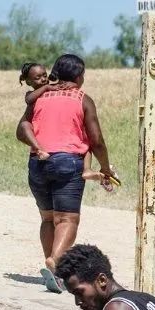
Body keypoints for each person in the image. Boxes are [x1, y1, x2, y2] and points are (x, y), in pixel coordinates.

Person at [16, 55, 115, 293]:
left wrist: (39, 145)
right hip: (67, 162)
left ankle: (53, 271)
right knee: (67, 219)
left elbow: (21, 131)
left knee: (48, 218)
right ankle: (55, 262)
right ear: (79, 77)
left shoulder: (39, 98)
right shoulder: (83, 99)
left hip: (38, 162)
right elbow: (96, 140)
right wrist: (105, 167)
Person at [20, 63, 104, 182]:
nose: (43, 80)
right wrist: (46, 88)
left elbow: (61, 86)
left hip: (57, 153)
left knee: (85, 140)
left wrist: (71, 85)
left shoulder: (52, 87)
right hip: (51, 149)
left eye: (45, 75)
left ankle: (87, 169)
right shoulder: (32, 94)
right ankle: (38, 149)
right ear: (28, 82)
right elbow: (28, 100)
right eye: (37, 78)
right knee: (24, 125)